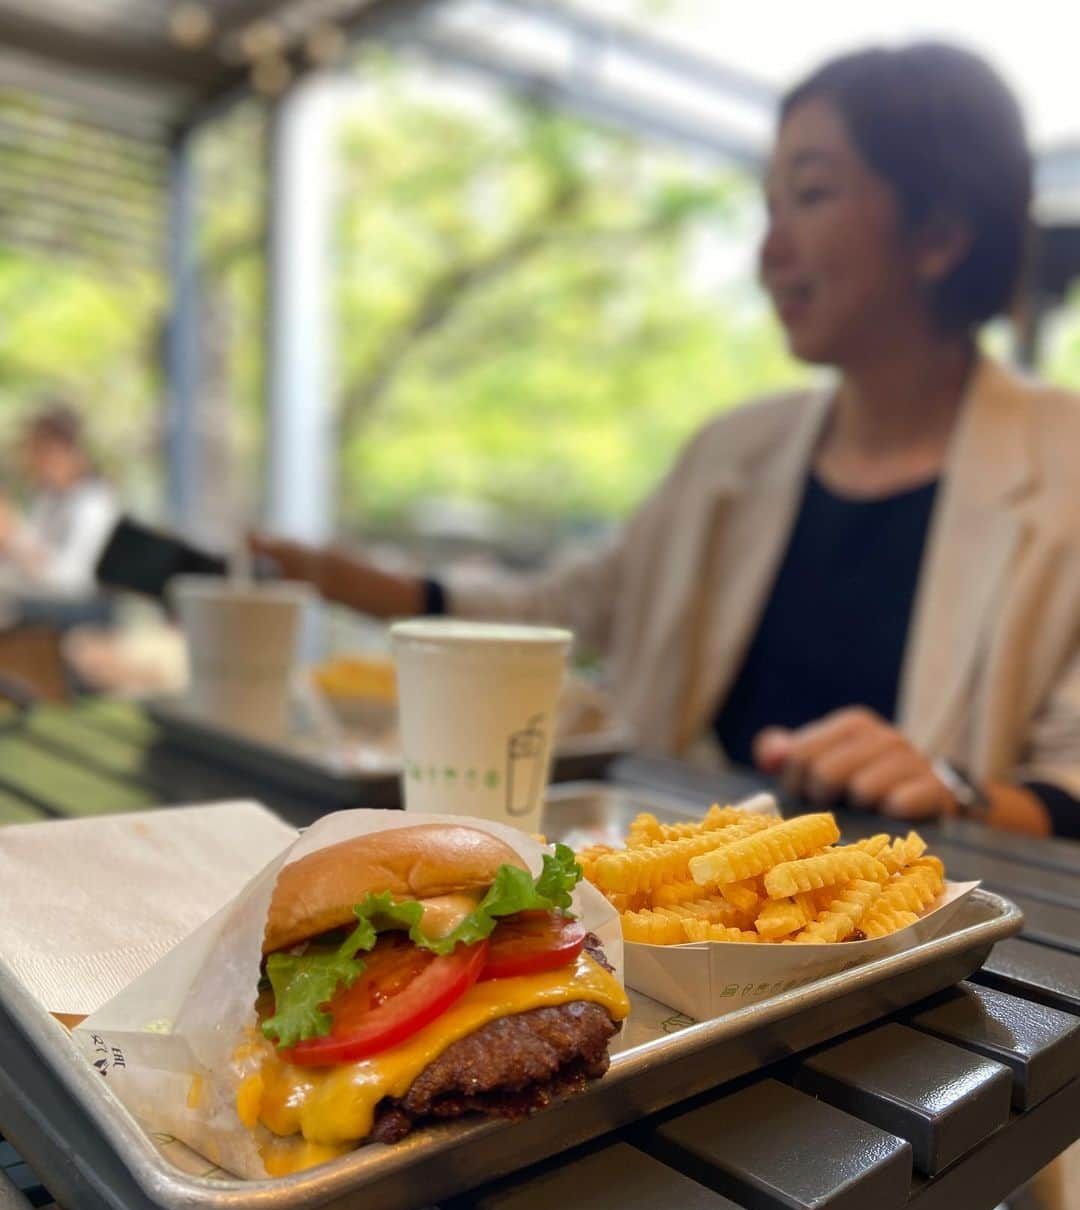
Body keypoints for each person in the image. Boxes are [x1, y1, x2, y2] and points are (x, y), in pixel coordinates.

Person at [253, 43, 1080, 839]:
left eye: (813, 195)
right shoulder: (734, 450)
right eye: (769, 206)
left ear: (939, 234)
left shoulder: (1063, 459)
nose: (769, 249)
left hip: (959, 952)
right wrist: (337, 577)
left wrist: (954, 793)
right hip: (689, 918)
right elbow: (568, 610)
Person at [0, 403, 118, 625]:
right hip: (44, 602)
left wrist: (13, 536)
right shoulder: (47, 499)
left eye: (41, 452)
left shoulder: (95, 504)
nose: (33, 462)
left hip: (82, 613)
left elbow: (73, 581)